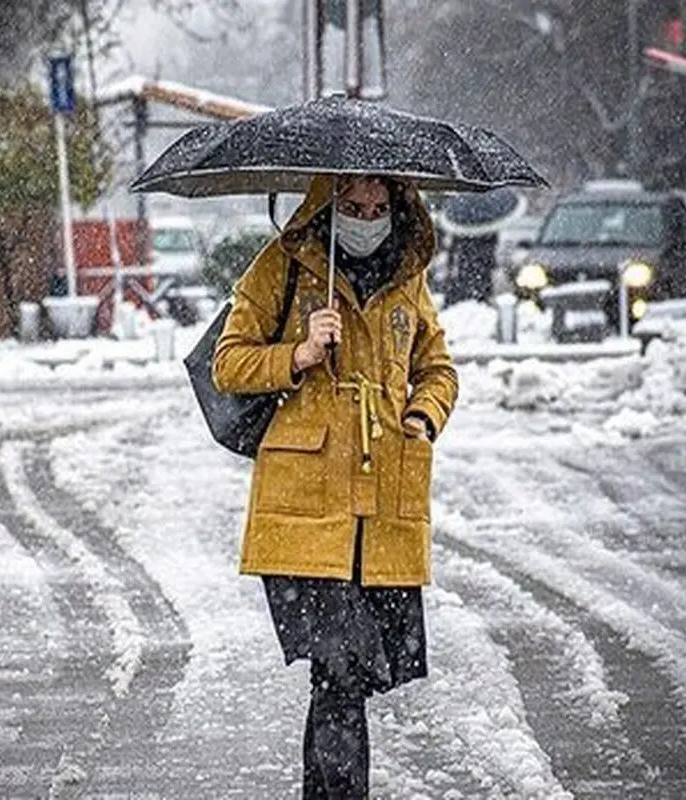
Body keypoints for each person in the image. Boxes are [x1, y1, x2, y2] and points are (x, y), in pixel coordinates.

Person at [212, 174, 458, 797]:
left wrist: (422, 417)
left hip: (382, 515)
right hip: (306, 511)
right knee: (343, 670)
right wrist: (297, 354)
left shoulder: (407, 278)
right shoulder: (285, 266)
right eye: (351, 207)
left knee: (348, 677)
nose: (366, 218)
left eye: (378, 207)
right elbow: (228, 362)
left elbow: (438, 370)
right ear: (327, 205)